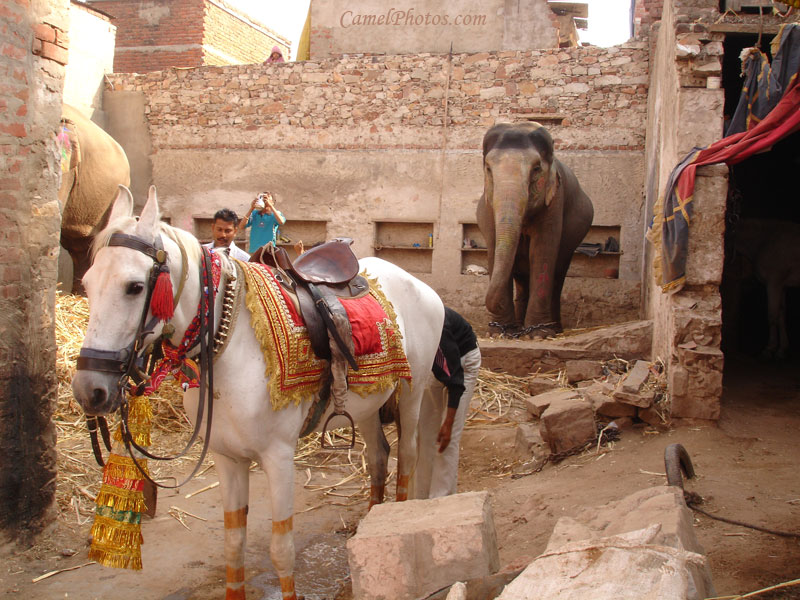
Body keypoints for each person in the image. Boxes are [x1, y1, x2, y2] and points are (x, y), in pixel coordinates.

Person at [414, 307, 481, 499]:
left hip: (463, 363)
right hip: (437, 366)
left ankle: (441, 498)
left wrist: (449, 422)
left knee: (447, 438)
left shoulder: (437, 332)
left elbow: (456, 383)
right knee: (426, 431)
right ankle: (421, 496)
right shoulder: (409, 326)